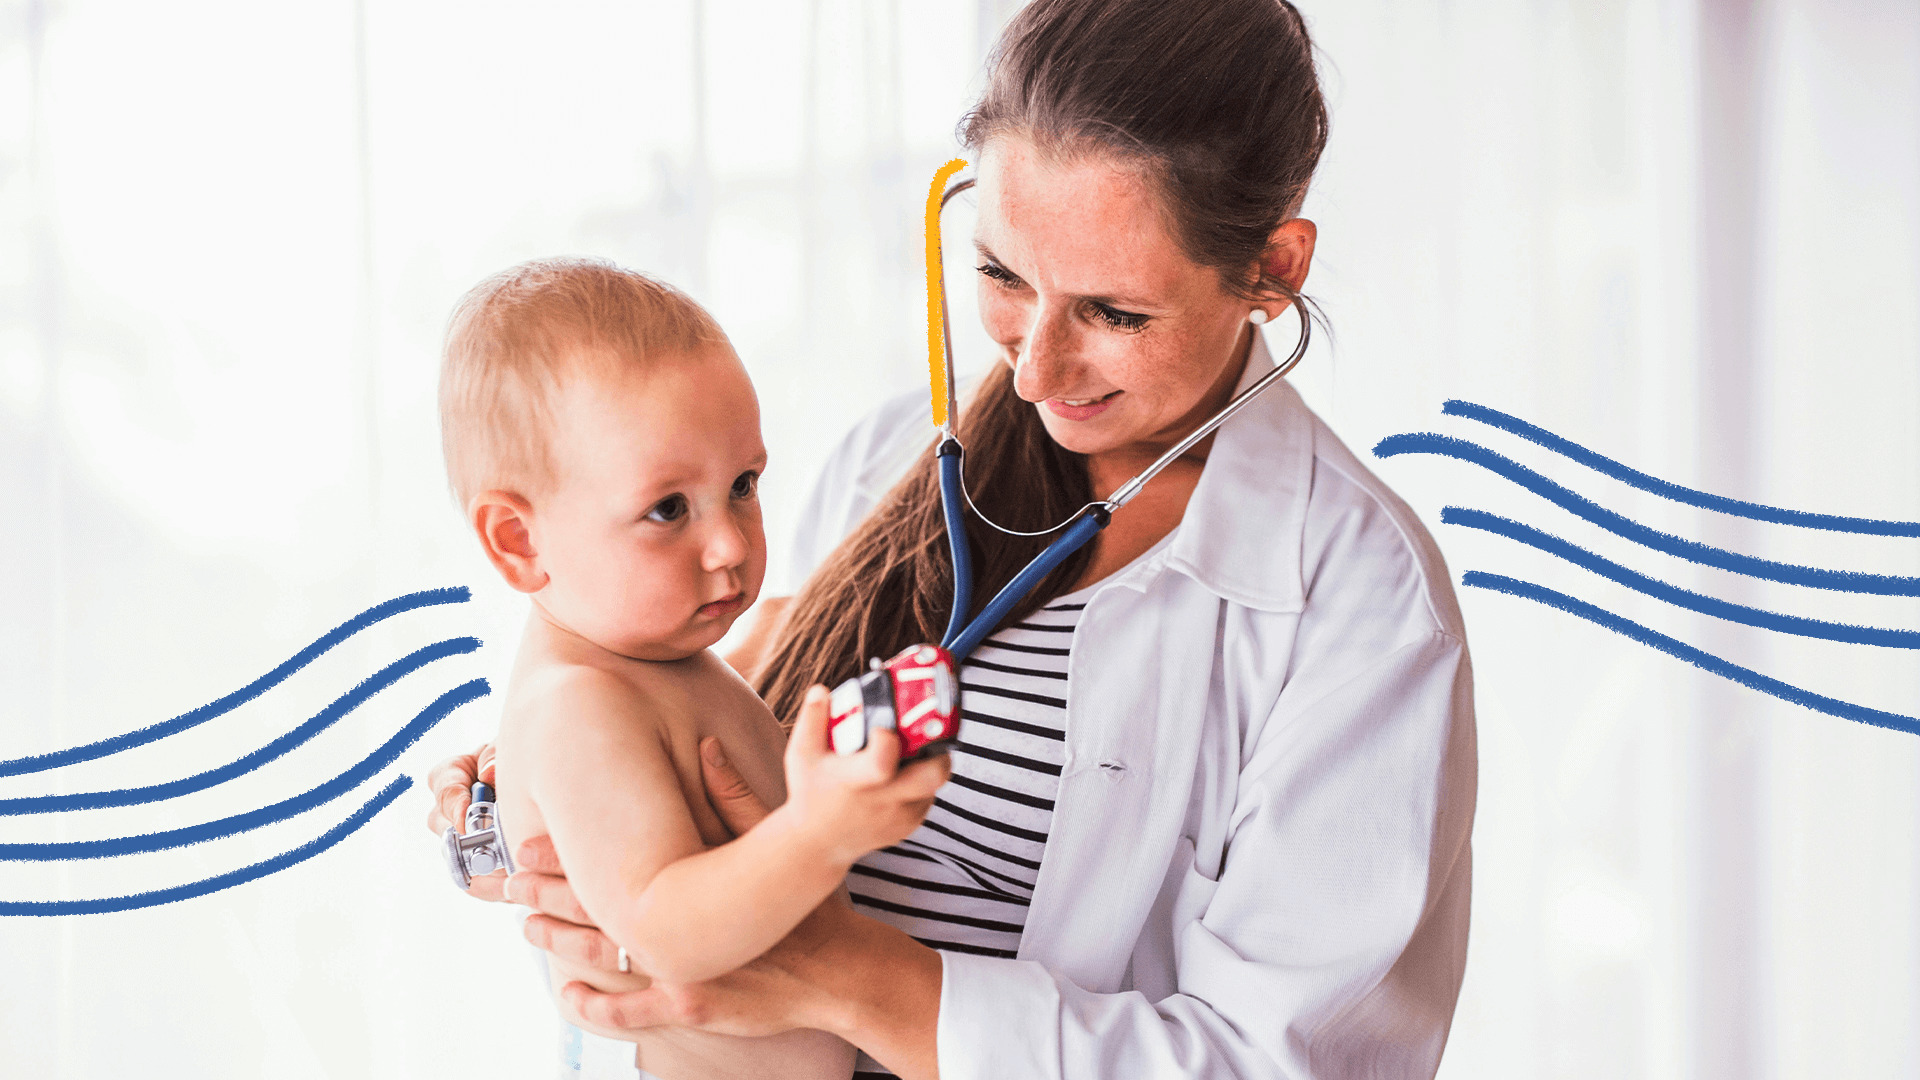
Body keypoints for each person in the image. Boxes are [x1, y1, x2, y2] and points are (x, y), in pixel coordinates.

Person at [429, 1, 1477, 1077]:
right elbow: (691, 720)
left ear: (1273, 269)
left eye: (1115, 313)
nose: (1034, 374)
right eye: (1004, 277)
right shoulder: (886, 454)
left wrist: (840, 971)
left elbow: (1283, 1065)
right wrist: (521, 804)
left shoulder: (1358, 605)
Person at [436, 257, 950, 1079]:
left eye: (743, 485)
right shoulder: (580, 702)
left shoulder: (661, 661)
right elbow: (665, 931)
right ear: (519, 542)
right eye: (668, 509)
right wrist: (818, 834)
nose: (732, 545)